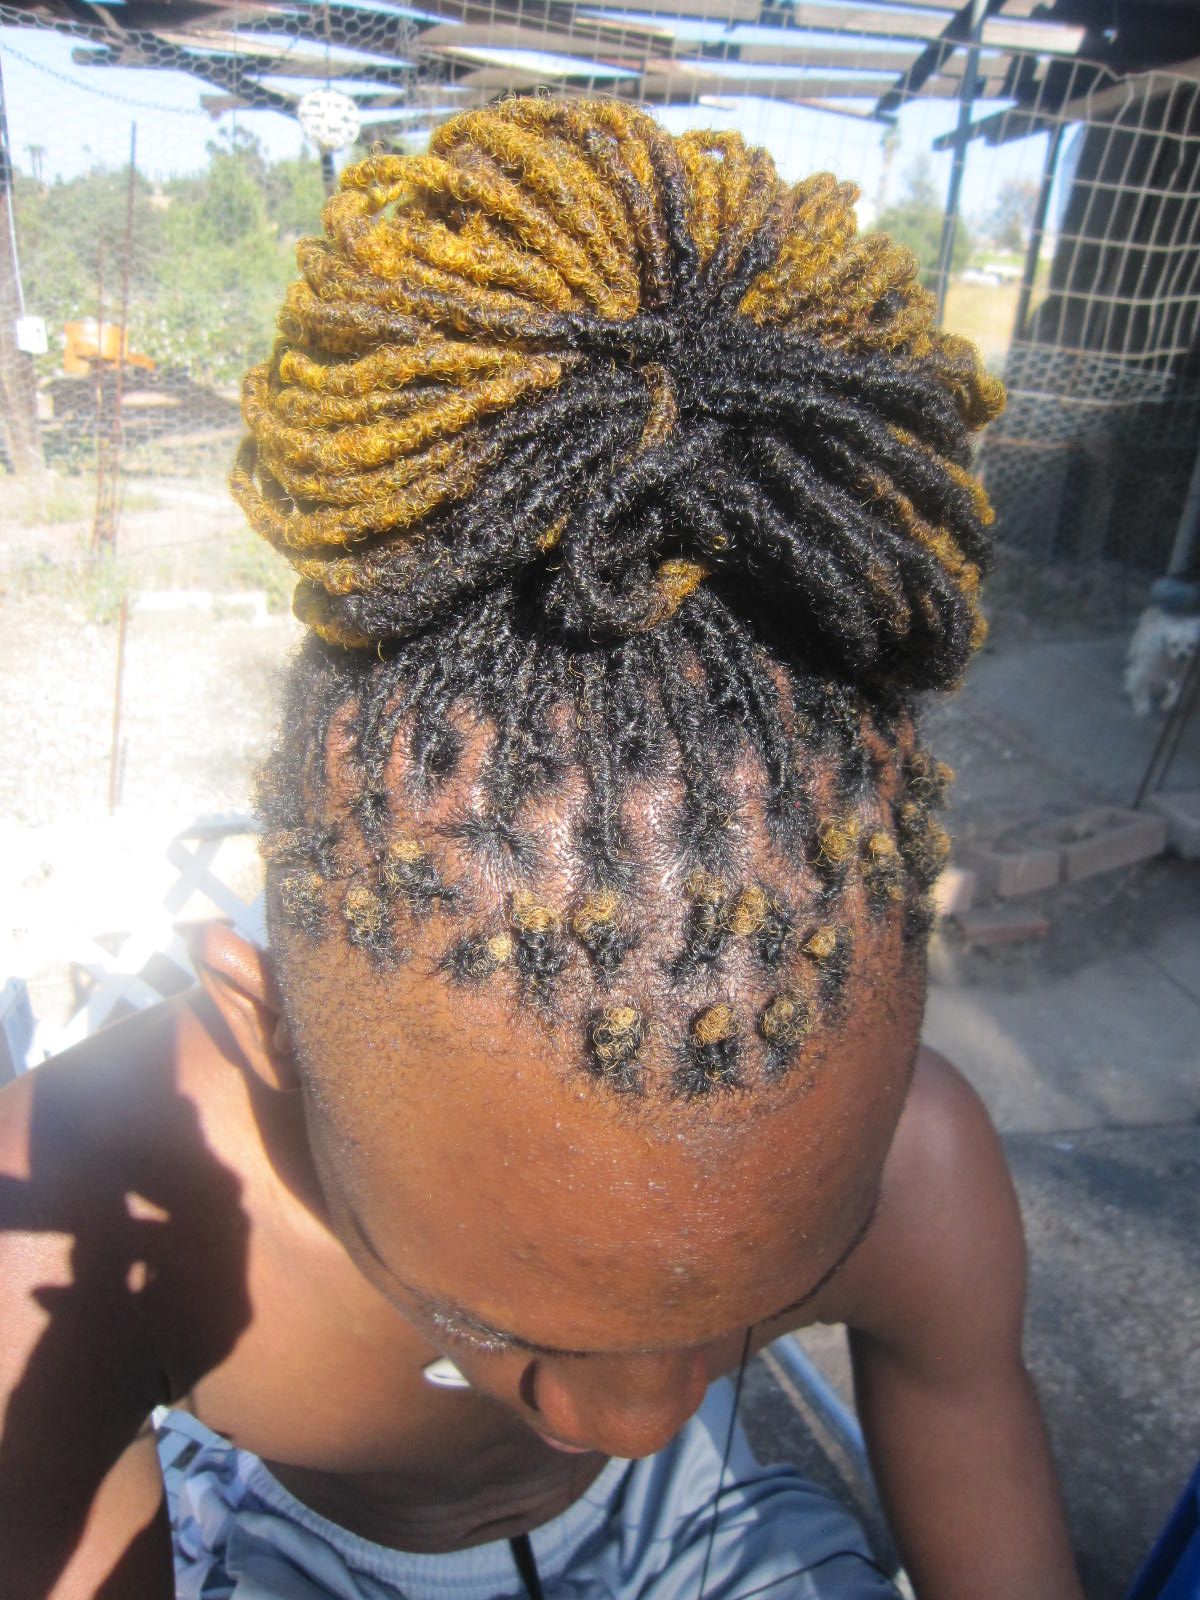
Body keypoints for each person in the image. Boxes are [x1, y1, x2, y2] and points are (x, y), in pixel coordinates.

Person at [0, 97, 1084, 1600]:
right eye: (493, 1320)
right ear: (272, 1030)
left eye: (752, 1304)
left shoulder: (912, 1175)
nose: (633, 1423)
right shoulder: (93, 1228)